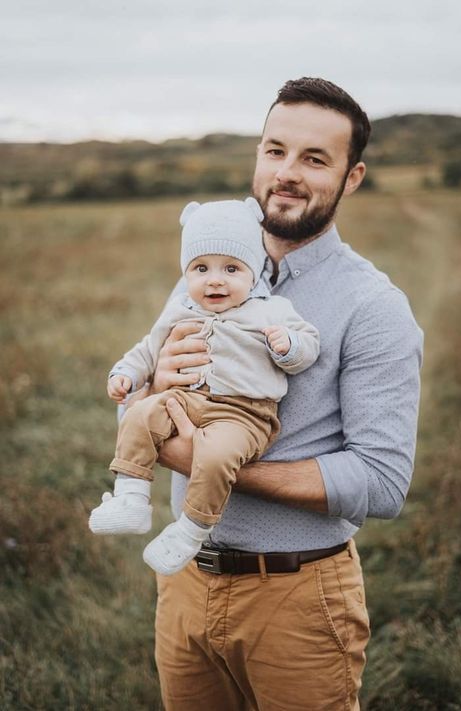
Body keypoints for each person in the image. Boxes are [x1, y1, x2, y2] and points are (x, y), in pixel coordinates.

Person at [135, 78, 423, 710]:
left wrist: (215, 464)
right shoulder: (205, 273)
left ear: (352, 176)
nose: (287, 173)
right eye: (275, 150)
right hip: (184, 583)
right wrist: (153, 388)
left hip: (297, 595)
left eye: (315, 159)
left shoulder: (374, 307)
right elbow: (142, 396)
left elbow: (381, 481)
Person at [89, 197, 320, 576]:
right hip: (186, 398)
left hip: (244, 415)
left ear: (254, 272)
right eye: (200, 268)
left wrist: (288, 346)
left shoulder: (270, 310)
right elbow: (148, 349)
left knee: (215, 455)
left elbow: (309, 342)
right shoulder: (181, 309)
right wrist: (126, 375)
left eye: (231, 268)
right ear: (187, 273)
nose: (215, 279)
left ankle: (192, 529)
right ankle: (130, 498)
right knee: (140, 414)